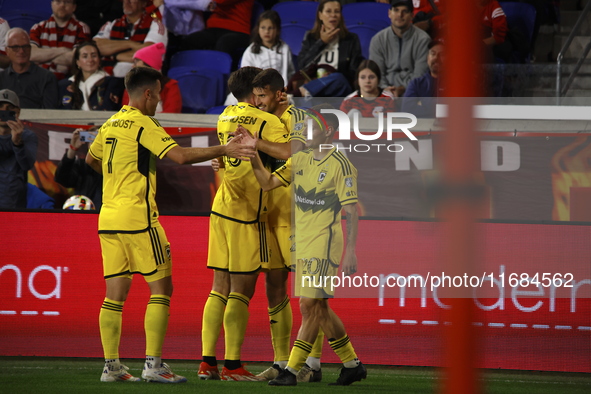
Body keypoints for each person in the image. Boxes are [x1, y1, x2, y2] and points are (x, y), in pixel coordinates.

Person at [85, 66, 255, 383]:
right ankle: (154, 365)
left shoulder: (110, 122)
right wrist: (225, 148)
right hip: (138, 218)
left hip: (107, 218)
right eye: (159, 94)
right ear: (147, 93)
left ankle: (111, 367)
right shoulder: (142, 123)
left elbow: (91, 160)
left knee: (115, 294)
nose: (160, 101)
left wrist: (118, 179)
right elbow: (180, 157)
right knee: (162, 289)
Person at [244, 104, 366, 386]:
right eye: (305, 127)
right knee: (318, 308)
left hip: (325, 244)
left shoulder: (342, 165)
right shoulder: (300, 159)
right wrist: (253, 156)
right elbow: (267, 182)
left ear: (329, 132)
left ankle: (292, 370)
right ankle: (352, 364)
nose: (305, 132)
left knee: (309, 304)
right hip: (302, 243)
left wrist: (351, 251)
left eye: (312, 127)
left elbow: (350, 211)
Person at [197, 66, 290, 381]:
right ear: (256, 91)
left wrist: (221, 160)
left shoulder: (223, 117)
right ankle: (232, 366)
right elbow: (292, 151)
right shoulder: (268, 121)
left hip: (221, 206)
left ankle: (207, 362)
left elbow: (227, 157)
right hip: (248, 213)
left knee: (218, 287)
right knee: (242, 290)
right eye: (261, 91)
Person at [249, 68, 308, 381]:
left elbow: (292, 151)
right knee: (274, 286)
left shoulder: (296, 117)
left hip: (299, 215)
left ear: (279, 94)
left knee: (309, 296)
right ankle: (281, 362)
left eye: (263, 95)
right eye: (255, 95)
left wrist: (256, 144)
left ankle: (311, 364)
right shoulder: (264, 120)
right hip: (270, 213)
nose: (258, 101)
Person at [225, 10, 295, 106]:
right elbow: (244, 77)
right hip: (255, 91)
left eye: (271, 28)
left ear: (278, 30)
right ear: (258, 29)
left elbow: (289, 73)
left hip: (277, 91)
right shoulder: (251, 51)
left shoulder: (284, 48)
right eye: (263, 28)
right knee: (232, 99)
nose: (267, 31)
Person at [294, 0, 363, 97]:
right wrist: (321, 42)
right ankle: (310, 91)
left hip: (340, 89)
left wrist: (330, 77)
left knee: (338, 78)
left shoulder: (351, 39)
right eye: (328, 11)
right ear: (320, 15)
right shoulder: (311, 37)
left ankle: (302, 92)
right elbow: (302, 66)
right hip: (314, 86)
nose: (333, 15)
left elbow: (354, 72)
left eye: (337, 11)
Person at [369, 0, 430, 97]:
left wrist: (403, 89)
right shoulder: (377, 40)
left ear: (412, 15)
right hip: (383, 92)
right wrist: (386, 90)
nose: (399, 15)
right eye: (396, 10)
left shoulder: (423, 40)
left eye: (404, 11)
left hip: (413, 92)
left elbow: (419, 75)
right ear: (389, 13)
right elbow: (377, 73)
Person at [93, 0, 168, 77]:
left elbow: (149, 52)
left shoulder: (156, 24)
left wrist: (114, 56)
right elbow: (94, 47)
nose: (127, 1)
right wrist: (130, 43)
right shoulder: (112, 24)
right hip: (106, 77)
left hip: (139, 79)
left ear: (144, 3)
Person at [179, 0, 254, 70]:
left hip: (239, 31)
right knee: (191, 40)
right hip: (214, 29)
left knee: (224, 42)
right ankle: (188, 74)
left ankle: (218, 76)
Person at [29, 0, 91, 80]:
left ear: (74, 7)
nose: (62, 5)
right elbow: (31, 54)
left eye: (67, 2)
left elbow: (77, 57)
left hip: (68, 80)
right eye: (58, 1)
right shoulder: (38, 28)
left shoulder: (82, 28)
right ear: (52, 4)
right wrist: (63, 50)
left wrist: (44, 57)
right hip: (38, 79)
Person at [0, 28, 59, 109]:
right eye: (15, 47)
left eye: (25, 46)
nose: (21, 51)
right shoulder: (1, 78)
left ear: (30, 49)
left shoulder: (47, 78)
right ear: (7, 50)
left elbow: (49, 114)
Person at [58, 41, 125, 110]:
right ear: (77, 62)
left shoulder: (112, 83)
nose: (90, 60)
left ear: (99, 60)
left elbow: (109, 108)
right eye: (85, 56)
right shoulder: (64, 85)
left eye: (94, 56)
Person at [0, 89, 38, 209]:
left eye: (9, 108)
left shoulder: (27, 136)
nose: (4, 111)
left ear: (18, 112)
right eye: (0, 107)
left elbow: (27, 164)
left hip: (13, 203)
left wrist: (18, 143)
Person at [121, 42, 181, 113]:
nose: (133, 66)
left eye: (136, 62)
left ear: (147, 64)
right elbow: (127, 112)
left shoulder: (170, 86)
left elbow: (172, 113)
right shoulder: (131, 85)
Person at [54, 127, 103, 209]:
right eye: (91, 140)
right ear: (88, 145)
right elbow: (62, 179)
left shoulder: (117, 167)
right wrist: (72, 149)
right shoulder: (82, 165)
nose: (95, 145)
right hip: (83, 214)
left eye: (98, 140)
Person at [402, 39, 444, 118]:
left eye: (442, 54)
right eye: (433, 54)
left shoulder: (456, 84)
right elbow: (407, 110)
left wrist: (423, 102)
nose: (436, 58)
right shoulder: (416, 84)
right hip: (422, 128)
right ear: (428, 58)